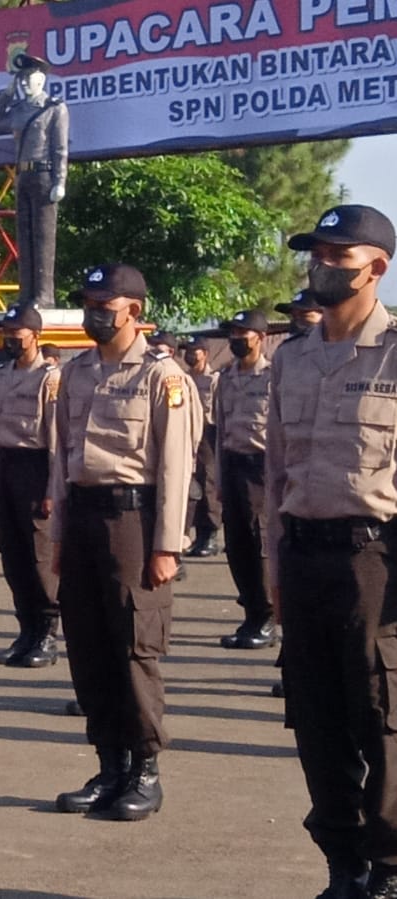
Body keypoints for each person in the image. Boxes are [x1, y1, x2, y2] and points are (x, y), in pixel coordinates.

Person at [266, 204, 397, 899]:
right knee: (315, 718)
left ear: (374, 267)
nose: (319, 266)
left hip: (374, 559)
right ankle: (341, 863)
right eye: (314, 254)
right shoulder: (291, 358)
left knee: (381, 719)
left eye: (335, 256)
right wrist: (272, 566)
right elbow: (275, 476)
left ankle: (388, 868)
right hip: (304, 555)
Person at [49, 263, 193, 822]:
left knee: (133, 649)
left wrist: (167, 546)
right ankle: (109, 766)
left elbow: (176, 467)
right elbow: (62, 462)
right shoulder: (76, 371)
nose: (93, 312)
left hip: (133, 523)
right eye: (88, 301)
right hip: (83, 521)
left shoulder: (163, 376)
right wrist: (58, 536)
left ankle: (145, 771)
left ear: (133, 310)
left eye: (103, 303)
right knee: (88, 650)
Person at [0, 303, 61, 667]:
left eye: (16, 333)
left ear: (35, 336)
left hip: (36, 468)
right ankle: (26, 630)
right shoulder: (2, 375)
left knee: (39, 556)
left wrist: (51, 490)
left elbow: (56, 438)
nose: (9, 339)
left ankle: (47, 634)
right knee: (13, 555)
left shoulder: (49, 378)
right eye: (6, 333)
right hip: (9, 468)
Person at [209, 310, 276, 651]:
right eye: (233, 332)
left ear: (260, 338)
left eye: (243, 333)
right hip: (233, 465)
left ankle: (266, 615)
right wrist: (219, 477)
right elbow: (220, 431)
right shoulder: (226, 377)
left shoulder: (273, 376)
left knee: (259, 541)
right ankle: (251, 611)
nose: (236, 338)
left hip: (261, 469)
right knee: (236, 545)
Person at [0, 52, 68, 307]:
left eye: (29, 77)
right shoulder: (19, 110)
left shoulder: (54, 108)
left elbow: (60, 148)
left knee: (43, 237)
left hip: (44, 175)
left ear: (41, 79)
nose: (24, 82)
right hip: (22, 175)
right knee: (24, 236)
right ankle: (26, 294)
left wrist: (60, 181)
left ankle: (44, 296)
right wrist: (7, 94)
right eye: (21, 78)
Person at [183, 341, 222, 557]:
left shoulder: (214, 379)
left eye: (193, 352)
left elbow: (218, 410)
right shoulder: (184, 377)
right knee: (194, 485)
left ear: (205, 354)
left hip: (208, 432)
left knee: (208, 482)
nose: (189, 355)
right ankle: (199, 534)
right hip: (189, 434)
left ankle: (211, 534)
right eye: (187, 352)